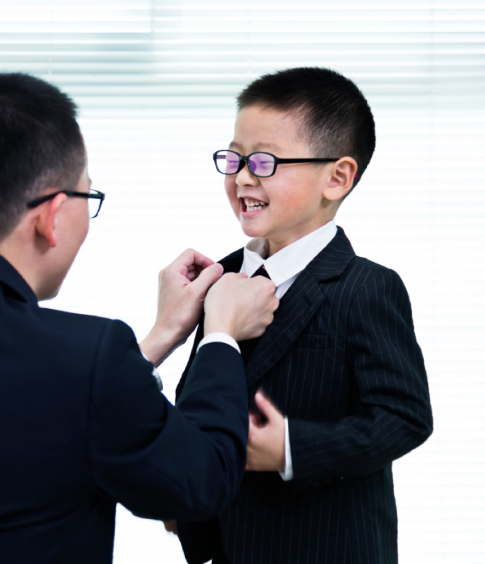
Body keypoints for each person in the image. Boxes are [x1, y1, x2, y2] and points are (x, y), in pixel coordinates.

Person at [0, 71, 279, 564]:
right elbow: (199, 483)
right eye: (89, 197)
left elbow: (32, 418)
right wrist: (220, 337)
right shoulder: (86, 357)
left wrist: (160, 337)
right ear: (51, 216)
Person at [167, 67, 434, 564]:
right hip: (224, 542)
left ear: (336, 177)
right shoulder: (218, 278)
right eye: (235, 157)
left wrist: (291, 447)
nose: (243, 175)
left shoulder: (367, 288)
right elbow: (203, 390)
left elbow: (405, 418)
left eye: (265, 161)